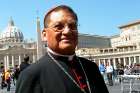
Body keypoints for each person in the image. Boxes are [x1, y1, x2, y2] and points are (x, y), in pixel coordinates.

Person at [16, 5, 109, 93]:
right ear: (44, 35)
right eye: (58, 27)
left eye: (73, 26)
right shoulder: (30, 75)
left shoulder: (91, 67)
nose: (67, 31)